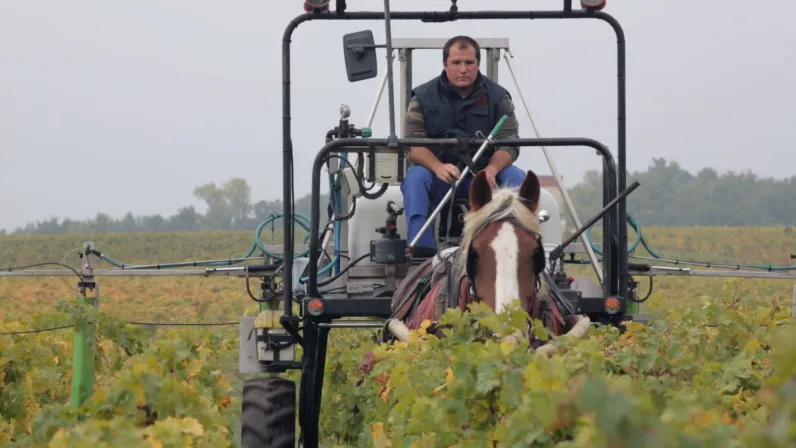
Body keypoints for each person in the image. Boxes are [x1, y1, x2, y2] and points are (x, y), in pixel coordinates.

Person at [401, 35, 526, 257]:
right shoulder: (421, 97)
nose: (463, 69)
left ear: (478, 64)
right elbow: (413, 146)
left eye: (469, 63)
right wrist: (437, 167)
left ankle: (517, 250)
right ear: (445, 64)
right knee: (415, 177)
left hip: (485, 180)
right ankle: (421, 253)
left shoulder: (499, 98)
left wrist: (492, 169)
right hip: (439, 179)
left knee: (516, 177)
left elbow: (509, 144)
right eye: (456, 62)